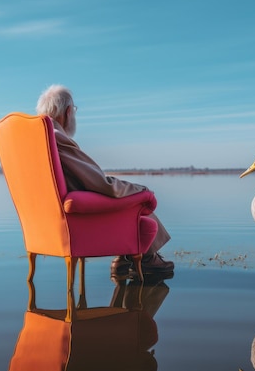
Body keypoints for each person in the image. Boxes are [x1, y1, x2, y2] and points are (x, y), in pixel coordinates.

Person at [36, 84, 174, 277]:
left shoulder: (37, 141)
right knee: (137, 199)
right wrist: (140, 190)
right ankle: (145, 258)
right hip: (79, 220)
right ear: (68, 112)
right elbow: (100, 184)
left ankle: (124, 260)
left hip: (50, 222)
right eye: (74, 110)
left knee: (128, 196)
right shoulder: (58, 139)